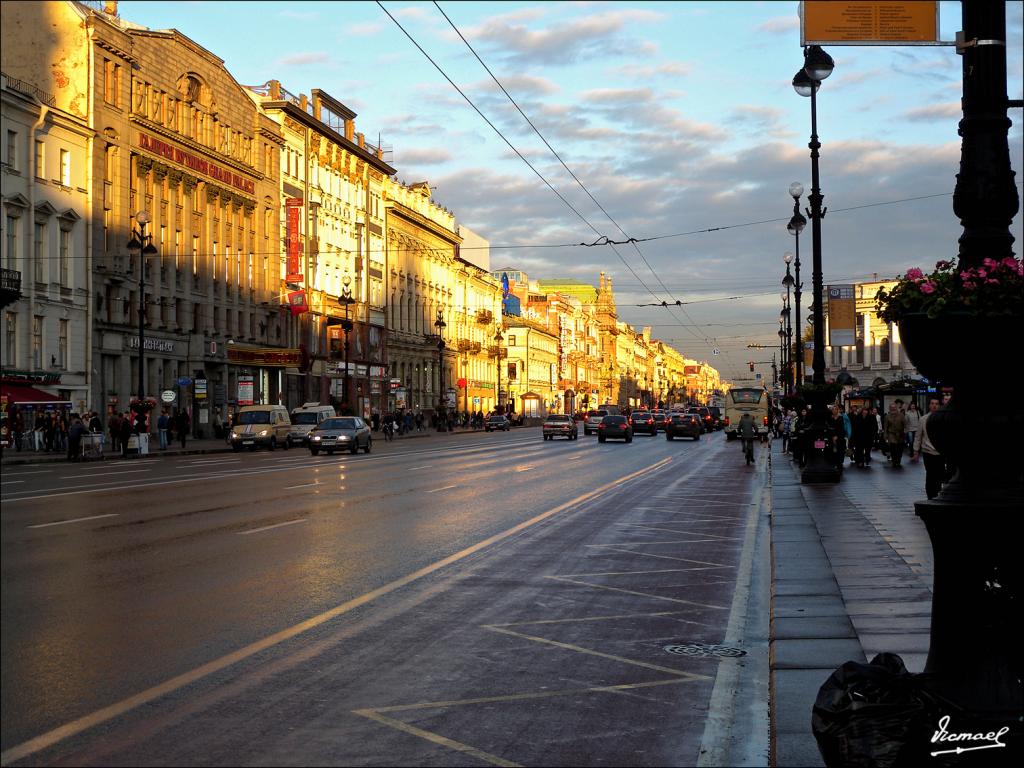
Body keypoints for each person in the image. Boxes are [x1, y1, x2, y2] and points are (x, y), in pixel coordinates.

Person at [913, 397, 947, 499]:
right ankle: (931, 495)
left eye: (936, 403)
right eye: (932, 403)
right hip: (928, 451)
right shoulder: (923, 419)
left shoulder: (943, 419)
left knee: (940, 474)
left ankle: (937, 492)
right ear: (929, 406)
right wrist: (916, 451)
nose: (934, 406)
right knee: (930, 474)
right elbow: (918, 436)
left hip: (940, 452)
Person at [884, 402, 907, 467]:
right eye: (892, 408)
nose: (893, 409)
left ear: (896, 408)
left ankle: (898, 459)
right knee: (893, 448)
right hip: (892, 434)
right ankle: (894, 460)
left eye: (894, 407)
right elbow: (885, 427)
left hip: (900, 434)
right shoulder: (887, 416)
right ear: (889, 408)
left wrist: (905, 431)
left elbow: (905, 424)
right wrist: (885, 435)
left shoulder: (901, 415)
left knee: (900, 448)